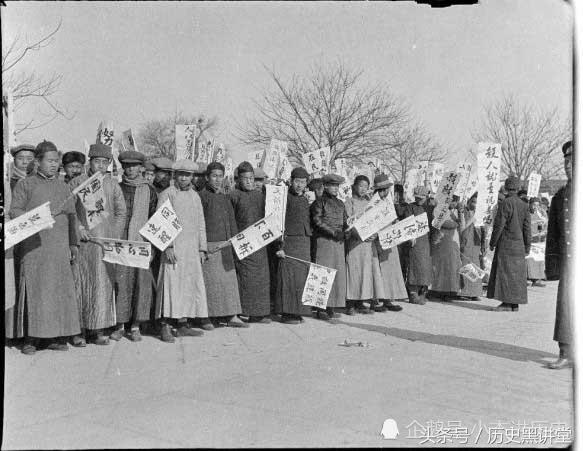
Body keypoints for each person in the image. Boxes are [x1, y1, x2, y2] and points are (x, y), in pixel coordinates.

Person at [9, 140, 81, 354]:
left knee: (58, 291)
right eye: (49, 161)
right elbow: (15, 210)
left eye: (56, 161)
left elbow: (72, 216)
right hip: (35, 247)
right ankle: (31, 338)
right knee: (37, 291)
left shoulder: (63, 186)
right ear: (38, 162)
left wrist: (73, 243)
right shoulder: (26, 184)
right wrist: (35, 219)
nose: (54, 164)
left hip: (59, 247)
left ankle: (56, 337)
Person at [69, 143, 127, 346]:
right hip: (84, 245)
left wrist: (114, 234)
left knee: (102, 287)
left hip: (104, 244)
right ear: (89, 161)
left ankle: (99, 329)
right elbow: (69, 212)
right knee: (81, 286)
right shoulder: (77, 182)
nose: (100, 166)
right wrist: (78, 228)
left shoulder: (112, 185)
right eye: (97, 161)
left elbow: (121, 213)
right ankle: (78, 332)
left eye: (104, 162)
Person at [155, 160, 209, 342]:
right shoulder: (167, 194)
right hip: (174, 247)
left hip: (191, 249)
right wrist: (167, 246)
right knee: (171, 285)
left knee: (188, 286)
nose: (184, 178)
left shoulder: (195, 196)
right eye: (181, 174)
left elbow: (201, 223)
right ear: (175, 175)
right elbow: (161, 222)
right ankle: (165, 325)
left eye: (188, 175)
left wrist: (202, 248)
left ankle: (183, 323)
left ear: (192, 177)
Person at [113, 150, 158, 341]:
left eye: (135, 166)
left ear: (141, 167)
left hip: (141, 242)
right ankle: (120, 324)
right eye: (127, 166)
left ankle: (136, 325)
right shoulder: (117, 188)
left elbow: (155, 220)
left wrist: (152, 247)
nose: (131, 169)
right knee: (121, 282)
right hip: (121, 242)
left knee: (141, 283)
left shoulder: (149, 190)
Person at [199, 162, 248, 328]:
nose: (217, 180)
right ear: (207, 177)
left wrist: (235, 240)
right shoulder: (201, 196)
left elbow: (231, 220)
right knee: (212, 283)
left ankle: (231, 315)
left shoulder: (225, 196)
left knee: (229, 283)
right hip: (210, 244)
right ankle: (208, 317)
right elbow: (198, 224)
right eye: (214, 176)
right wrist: (203, 245)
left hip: (227, 243)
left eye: (220, 176)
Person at [230, 161, 271, 323]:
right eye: (245, 178)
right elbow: (230, 220)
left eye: (251, 178)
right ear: (238, 180)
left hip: (260, 242)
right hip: (242, 242)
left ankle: (259, 313)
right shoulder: (233, 196)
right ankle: (244, 311)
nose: (249, 182)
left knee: (261, 277)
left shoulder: (259, 196)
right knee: (245, 278)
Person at [545, 140, 574, 369]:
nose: (568, 164)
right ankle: (565, 352)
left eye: (573, 160)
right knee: (566, 307)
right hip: (569, 263)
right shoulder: (559, 196)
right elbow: (553, 234)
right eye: (565, 160)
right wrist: (552, 266)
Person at [274, 167, 313, 324]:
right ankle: (287, 313)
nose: (299, 185)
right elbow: (277, 223)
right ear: (291, 181)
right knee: (288, 278)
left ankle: (298, 311)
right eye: (297, 181)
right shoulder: (284, 198)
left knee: (301, 278)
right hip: (288, 241)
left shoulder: (305, 199)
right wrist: (279, 246)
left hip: (304, 241)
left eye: (303, 182)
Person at [487, 176, 531, 311]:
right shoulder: (524, 205)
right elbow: (527, 228)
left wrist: (492, 242)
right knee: (516, 276)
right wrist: (527, 246)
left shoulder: (506, 203)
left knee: (505, 274)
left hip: (506, 244)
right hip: (519, 245)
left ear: (506, 188)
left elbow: (499, 225)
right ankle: (514, 304)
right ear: (518, 189)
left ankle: (506, 303)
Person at [310, 173, 348, 320]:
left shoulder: (340, 203)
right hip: (324, 241)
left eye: (337, 185)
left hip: (338, 242)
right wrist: (333, 232)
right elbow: (317, 221)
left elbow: (345, 221)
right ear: (325, 186)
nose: (335, 188)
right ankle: (320, 308)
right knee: (323, 272)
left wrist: (346, 231)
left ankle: (332, 305)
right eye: (332, 185)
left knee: (336, 274)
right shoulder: (319, 202)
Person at [370, 174, 407, 312]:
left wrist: (396, 223)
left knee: (390, 270)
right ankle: (375, 300)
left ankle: (388, 299)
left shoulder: (388, 201)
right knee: (376, 270)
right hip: (376, 239)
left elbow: (393, 218)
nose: (385, 192)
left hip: (390, 238)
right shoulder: (372, 203)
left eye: (386, 189)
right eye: (383, 189)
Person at [344, 175, 375, 315]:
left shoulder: (370, 203)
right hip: (354, 241)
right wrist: (362, 234)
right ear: (354, 186)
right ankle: (350, 302)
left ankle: (361, 301)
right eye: (361, 186)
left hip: (367, 243)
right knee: (353, 271)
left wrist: (374, 233)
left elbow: (375, 220)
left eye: (366, 187)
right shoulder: (349, 202)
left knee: (365, 271)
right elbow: (348, 222)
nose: (363, 189)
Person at [428, 196, 463, 302]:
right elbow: (441, 223)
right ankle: (437, 290)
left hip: (452, 243)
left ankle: (450, 291)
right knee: (440, 266)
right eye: (453, 201)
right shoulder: (439, 209)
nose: (455, 203)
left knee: (451, 267)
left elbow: (462, 225)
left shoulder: (454, 212)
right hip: (442, 242)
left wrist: (460, 213)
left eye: (456, 201)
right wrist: (456, 223)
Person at [404, 186, 433, 305]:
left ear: (427, 197)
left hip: (426, 240)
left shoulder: (429, 208)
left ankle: (423, 291)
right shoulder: (410, 207)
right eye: (417, 197)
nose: (419, 200)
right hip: (415, 240)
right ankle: (412, 292)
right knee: (414, 265)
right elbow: (407, 222)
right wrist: (411, 236)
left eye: (422, 198)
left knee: (425, 266)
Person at [458, 192, 486, 300]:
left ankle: (475, 292)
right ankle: (465, 292)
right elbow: (462, 227)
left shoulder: (480, 214)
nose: (474, 204)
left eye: (476, 203)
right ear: (468, 202)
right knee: (465, 265)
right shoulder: (464, 212)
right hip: (466, 240)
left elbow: (484, 229)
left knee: (476, 266)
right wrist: (473, 218)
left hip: (476, 243)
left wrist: (484, 244)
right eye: (473, 202)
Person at [526, 197, 547, 287]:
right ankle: (530, 278)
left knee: (539, 260)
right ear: (530, 204)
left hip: (539, 240)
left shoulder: (541, 213)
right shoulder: (526, 213)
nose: (535, 207)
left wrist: (543, 223)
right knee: (530, 260)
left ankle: (537, 279)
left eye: (537, 205)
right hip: (530, 240)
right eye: (534, 205)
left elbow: (546, 222)